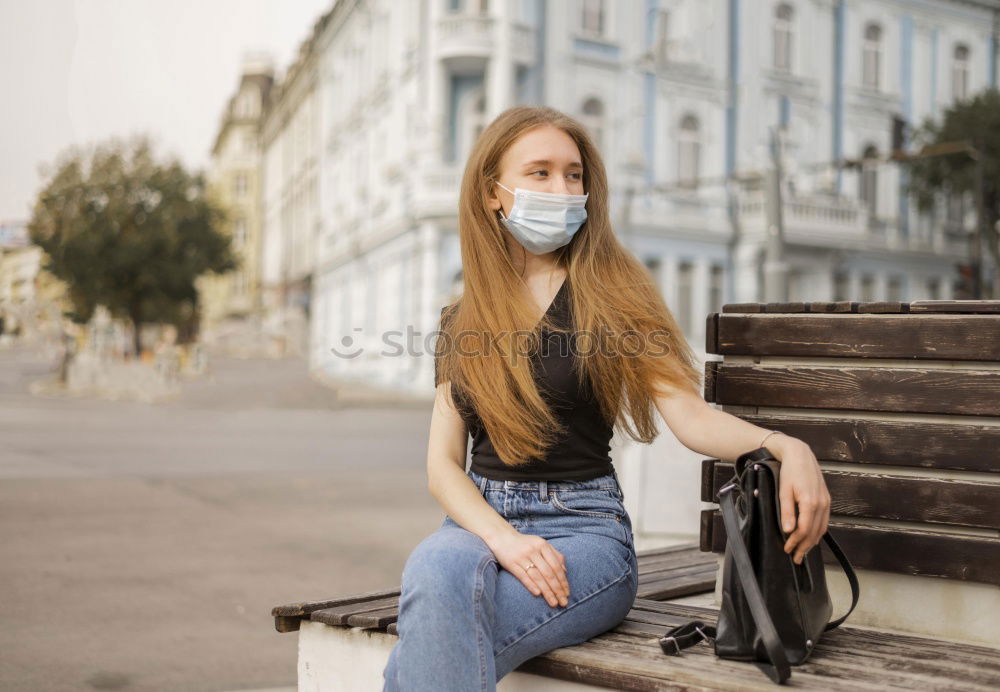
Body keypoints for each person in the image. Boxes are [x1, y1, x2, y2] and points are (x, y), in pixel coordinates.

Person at [381, 105, 831, 691]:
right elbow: (443, 466)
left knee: (439, 630)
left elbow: (690, 418)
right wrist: (506, 541)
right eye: (539, 173)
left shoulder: (615, 292)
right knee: (436, 566)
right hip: (477, 524)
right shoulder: (463, 316)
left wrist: (782, 444)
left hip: (584, 531)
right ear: (493, 193)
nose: (562, 188)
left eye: (573, 174)